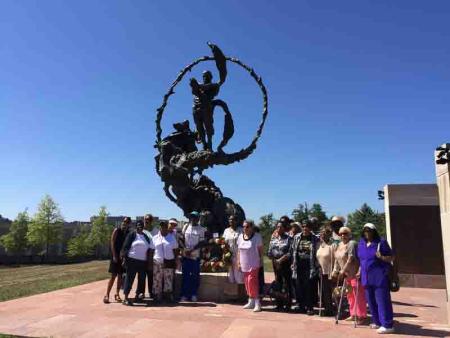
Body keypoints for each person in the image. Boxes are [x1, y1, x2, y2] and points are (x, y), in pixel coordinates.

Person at [358, 223, 395, 334]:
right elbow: (361, 259)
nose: (367, 233)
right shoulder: (361, 243)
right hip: (366, 277)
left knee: (382, 301)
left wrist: (382, 257)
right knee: (371, 301)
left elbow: (392, 257)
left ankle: (387, 325)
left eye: (369, 231)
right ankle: (377, 322)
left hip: (379, 277)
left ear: (374, 231)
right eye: (365, 231)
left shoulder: (380, 242)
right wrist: (359, 271)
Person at [333, 226, 367, 324]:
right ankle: (353, 314)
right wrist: (335, 270)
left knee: (358, 295)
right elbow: (337, 258)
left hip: (353, 273)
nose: (343, 235)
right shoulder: (339, 245)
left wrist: (343, 271)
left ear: (349, 234)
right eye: (341, 234)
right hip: (346, 275)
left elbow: (351, 258)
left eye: (345, 233)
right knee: (350, 295)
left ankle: (362, 316)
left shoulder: (352, 243)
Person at [121, 220, 154, 306]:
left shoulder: (147, 237)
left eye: (142, 225)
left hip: (142, 262)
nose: (140, 227)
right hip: (131, 261)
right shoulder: (132, 235)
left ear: (143, 227)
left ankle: (137, 296)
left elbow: (151, 249)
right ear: (136, 226)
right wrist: (124, 259)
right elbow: (125, 246)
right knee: (129, 279)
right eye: (138, 225)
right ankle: (126, 298)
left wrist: (149, 262)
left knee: (142, 280)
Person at [290, 219, 320, 315]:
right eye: (303, 226)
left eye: (307, 226)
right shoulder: (297, 237)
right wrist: (293, 263)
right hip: (299, 263)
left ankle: (310, 307)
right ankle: (301, 306)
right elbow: (293, 250)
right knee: (299, 285)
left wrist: (316, 265)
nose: (305, 228)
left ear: (310, 228)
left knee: (309, 286)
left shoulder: (315, 238)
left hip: (309, 264)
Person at [237, 219, 264, 312]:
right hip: (244, 263)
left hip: (254, 263)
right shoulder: (240, 237)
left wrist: (261, 261)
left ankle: (257, 303)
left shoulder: (257, 237)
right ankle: (251, 301)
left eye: (247, 226)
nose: (245, 228)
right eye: (244, 227)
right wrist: (238, 262)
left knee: (252, 282)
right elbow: (239, 251)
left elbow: (260, 250)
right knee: (247, 283)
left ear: (252, 227)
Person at [180, 211, 207, 302]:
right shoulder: (186, 226)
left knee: (195, 277)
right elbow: (181, 239)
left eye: (195, 217)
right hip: (186, 256)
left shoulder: (201, 229)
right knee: (185, 276)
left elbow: (202, 242)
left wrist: (192, 250)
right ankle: (184, 295)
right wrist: (185, 249)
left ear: (198, 218)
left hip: (195, 257)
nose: (193, 219)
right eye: (191, 217)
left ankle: (193, 294)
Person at [104, 217, 130, 304]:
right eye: (124, 221)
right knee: (113, 276)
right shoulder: (117, 230)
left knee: (120, 276)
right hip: (115, 256)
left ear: (129, 224)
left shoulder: (128, 233)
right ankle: (107, 294)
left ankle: (117, 294)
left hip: (122, 257)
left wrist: (124, 257)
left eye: (127, 222)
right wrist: (114, 255)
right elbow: (112, 242)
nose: (125, 223)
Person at [267, 221, 292, 311]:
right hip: (276, 265)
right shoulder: (273, 239)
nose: (278, 228)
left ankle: (288, 304)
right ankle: (279, 304)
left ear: (284, 228)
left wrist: (280, 260)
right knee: (278, 284)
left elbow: (290, 252)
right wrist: (274, 260)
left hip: (285, 264)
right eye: (277, 227)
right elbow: (269, 252)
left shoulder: (289, 239)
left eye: (280, 227)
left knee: (287, 284)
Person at [152, 221, 179, 303]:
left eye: (164, 226)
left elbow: (176, 250)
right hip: (157, 262)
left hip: (169, 261)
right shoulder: (155, 238)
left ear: (167, 227)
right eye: (161, 226)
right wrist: (150, 263)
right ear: (159, 227)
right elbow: (151, 251)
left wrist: (175, 260)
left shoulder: (172, 237)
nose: (163, 228)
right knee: (157, 279)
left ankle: (167, 296)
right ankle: (157, 296)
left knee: (168, 279)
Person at [315, 225, 336, 316]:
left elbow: (335, 259)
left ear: (329, 235)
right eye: (321, 233)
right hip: (320, 270)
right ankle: (325, 308)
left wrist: (335, 271)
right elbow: (316, 257)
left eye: (325, 233)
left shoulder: (332, 245)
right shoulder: (318, 245)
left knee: (328, 292)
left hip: (329, 271)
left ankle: (330, 309)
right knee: (322, 291)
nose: (322, 235)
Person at [223, 215, 243, 284]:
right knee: (230, 277)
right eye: (230, 219)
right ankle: (232, 294)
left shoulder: (241, 230)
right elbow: (223, 242)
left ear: (237, 221)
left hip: (239, 256)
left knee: (239, 277)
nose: (231, 221)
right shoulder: (226, 231)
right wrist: (225, 253)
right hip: (229, 256)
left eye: (233, 219)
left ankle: (240, 294)